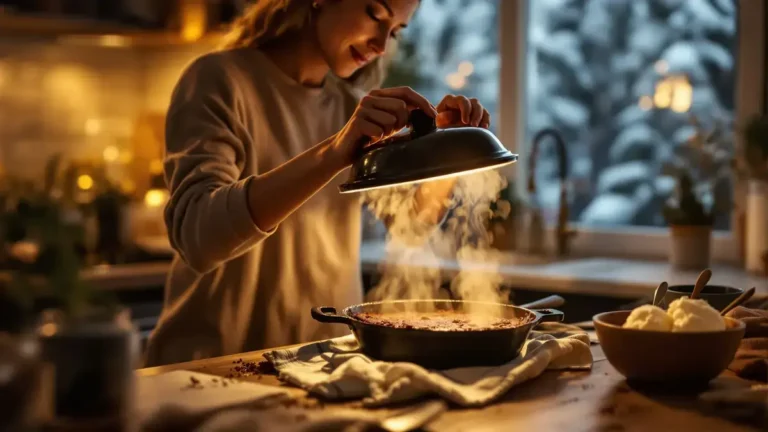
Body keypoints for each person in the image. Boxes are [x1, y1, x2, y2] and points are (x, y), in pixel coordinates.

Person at [143, 0, 492, 366]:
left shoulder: (349, 107)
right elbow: (198, 236)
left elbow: (412, 226)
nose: (380, 46)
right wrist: (334, 152)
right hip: (214, 370)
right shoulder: (218, 80)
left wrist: (447, 152)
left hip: (322, 365)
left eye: (394, 32)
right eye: (374, 14)